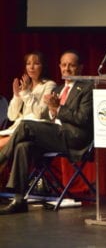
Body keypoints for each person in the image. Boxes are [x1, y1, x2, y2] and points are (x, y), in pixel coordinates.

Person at [0, 49, 93, 214]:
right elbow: (46, 116)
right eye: (64, 65)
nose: (67, 69)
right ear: (59, 67)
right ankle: (19, 200)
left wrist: (58, 108)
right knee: (23, 147)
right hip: (55, 135)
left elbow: (83, 119)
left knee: (25, 126)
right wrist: (51, 110)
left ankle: (1, 159)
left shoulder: (86, 89)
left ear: (80, 68)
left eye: (71, 66)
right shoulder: (57, 89)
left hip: (73, 137)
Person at [0, 51, 56, 148]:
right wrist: (17, 95)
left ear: (43, 66)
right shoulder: (26, 86)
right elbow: (11, 116)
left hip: (33, 129)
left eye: (36, 63)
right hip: (17, 128)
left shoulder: (49, 85)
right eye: (28, 64)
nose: (31, 67)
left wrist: (26, 93)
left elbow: (40, 113)